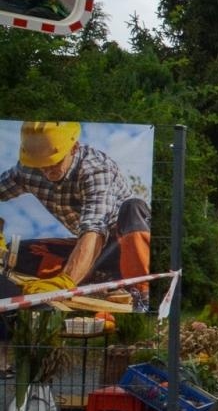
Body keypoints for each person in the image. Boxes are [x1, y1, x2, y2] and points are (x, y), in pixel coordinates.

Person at [0, 122, 153, 310]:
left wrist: (66, 281)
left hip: (121, 245)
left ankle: (141, 291)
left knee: (134, 207)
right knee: (19, 251)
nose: (47, 172)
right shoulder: (27, 169)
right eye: (41, 166)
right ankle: (99, 275)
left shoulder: (95, 169)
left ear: (74, 147)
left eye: (54, 163)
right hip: (91, 249)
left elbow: (94, 228)